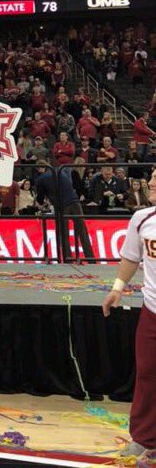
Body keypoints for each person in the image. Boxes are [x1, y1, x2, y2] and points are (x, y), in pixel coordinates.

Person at [102, 168, 156, 460]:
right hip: (152, 311)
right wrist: (117, 289)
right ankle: (146, 438)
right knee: (148, 375)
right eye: (152, 178)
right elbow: (131, 257)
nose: (151, 182)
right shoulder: (143, 219)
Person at [35, 162, 95, 262]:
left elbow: (40, 198)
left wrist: (41, 202)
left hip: (61, 205)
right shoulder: (61, 170)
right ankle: (91, 258)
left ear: (40, 169)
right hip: (75, 202)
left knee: (64, 233)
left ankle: (68, 259)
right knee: (82, 231)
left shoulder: (41, 179)